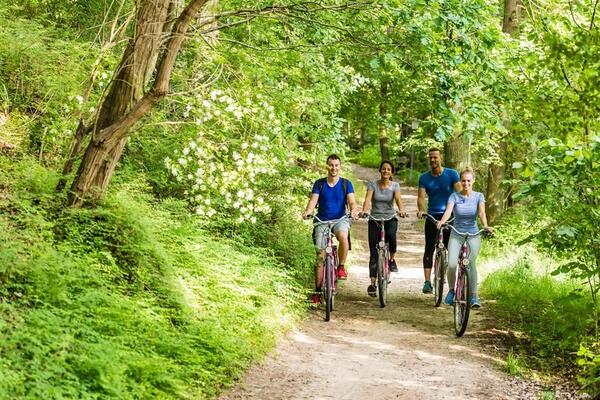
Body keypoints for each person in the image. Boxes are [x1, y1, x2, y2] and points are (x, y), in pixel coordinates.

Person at [302, 154, 359, 303]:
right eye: (331, 165)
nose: (333, 168)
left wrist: (353, 211)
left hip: (340, 219)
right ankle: (318, 290)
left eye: (336, 165)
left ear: (340, 167)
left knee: (342, 237)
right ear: (327, 166)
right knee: (320, 256)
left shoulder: (346, 183)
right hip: (321, 220)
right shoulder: (319, 183)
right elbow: (313, 202)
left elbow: (352, 202)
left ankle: (340, 267)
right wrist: (308, 212)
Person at [436, 168, 492, 308]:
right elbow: (448, 211)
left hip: (473, 234)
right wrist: (442, 221)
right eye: (463, 181)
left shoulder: (479, 196)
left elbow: (482, 213)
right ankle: (451, 291)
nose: (466, 183)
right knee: (453, 263)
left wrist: (485, 226)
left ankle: (473, 296)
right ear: (460, 182)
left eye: (468, 180)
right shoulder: (454, 196)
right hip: (456, 233)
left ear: (473, 181)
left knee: (471, 263)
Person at [417, 148, 461, 294]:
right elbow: (421, 198)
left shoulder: (452, 174)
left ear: (440, 158)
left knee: (452, 249)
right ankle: (428, 282)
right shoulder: (424, 178)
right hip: (432, 217)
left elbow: (460, 192)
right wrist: (421, 210)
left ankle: (454, 285)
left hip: (449, 216)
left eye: (435, 157)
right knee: (429, 248)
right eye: (430, 158)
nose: (433, 160)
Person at [361, 160, 407, 297]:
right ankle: (373, 283)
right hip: (375, 219)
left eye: (388, 169)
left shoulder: (395, 186)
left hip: (390, 218)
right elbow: (367, 199)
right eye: (383, 169)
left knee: (391, 237)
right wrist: (364, 211)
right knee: (374, 252)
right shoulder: (373, 185)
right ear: (380, 170)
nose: (386, 171)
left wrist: (402, 210)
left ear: (391, 172)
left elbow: (398, 200)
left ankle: (392, 260)